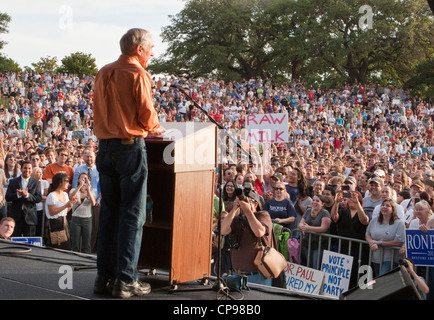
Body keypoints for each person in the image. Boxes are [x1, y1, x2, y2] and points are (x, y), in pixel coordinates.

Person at [93, 28, 165, 298]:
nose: (152, 53)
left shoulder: (103, 72)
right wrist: (156, 127)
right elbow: (148, 117)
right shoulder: (138, 74)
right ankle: (126, 281)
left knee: (110, 213)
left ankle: (104, 277)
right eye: (151, 48)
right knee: (133, 216)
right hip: (129, 149)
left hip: (104, 149)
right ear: (139, 49)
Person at [221, 187, 274, 286]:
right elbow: (223, 230)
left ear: (256, 204)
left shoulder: (263, 215)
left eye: (247, 201)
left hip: (258, 276)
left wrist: (248, 211)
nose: (243, 204)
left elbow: (259, 232)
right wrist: (234, 209)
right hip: (236, 275)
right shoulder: (237, 219)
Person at [331, 190, 370, 289]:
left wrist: (357, 204)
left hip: (359, 250)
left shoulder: (364, 212)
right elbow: (334, 217)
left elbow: (364, 221)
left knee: (358, 276)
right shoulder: (343, 212)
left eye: (354, 198)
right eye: (350, 198)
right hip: (344, 249)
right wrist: (336, 202)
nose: (351, 200)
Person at [365, 198, 405, 276]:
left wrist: (379, 243)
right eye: (383, 205)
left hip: (390, 258)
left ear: (393, 209)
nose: (384, 207)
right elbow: (367, 233)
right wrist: (371, 243)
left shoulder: (399, 223)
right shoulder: (374, 220)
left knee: (382, 277)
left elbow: (399, 242)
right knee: (378, 278)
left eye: (388, 206)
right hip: (376, 257)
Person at [5, 161, 42, 237]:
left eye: (29, 168)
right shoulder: (13, 182)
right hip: (15, 217)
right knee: (14, 241)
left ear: (32, 170)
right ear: (21, 169)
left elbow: (38, 198)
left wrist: (27, 195)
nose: (27, 170)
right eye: (25, 168)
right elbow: (8, 197)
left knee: (29, 243)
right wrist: (18, 195)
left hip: (30, 218)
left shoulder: (36, 183)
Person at [45, 172, 77, 249]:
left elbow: (65, 211)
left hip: (64, 222)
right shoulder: (52, 195)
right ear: (60, 183)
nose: (68, 183)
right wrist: (66, 205)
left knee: (67, 245)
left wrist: (71, 204)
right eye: (66, 181)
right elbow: (52, 212)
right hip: (54, 224)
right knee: (56, 246)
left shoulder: (65, 194)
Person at [299, 194, 331, 268]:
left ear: (322, 204)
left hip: (319, 245)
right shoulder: (308, 211)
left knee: (315, 266)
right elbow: (300, 223)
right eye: (313, 200)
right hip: (307, 243)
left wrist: (308, 228)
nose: (314, 202)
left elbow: (324, 228)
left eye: (317, 201)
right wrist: (302, 227)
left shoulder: (325, 213)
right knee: (309, 265)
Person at [69, 172, 95, 253]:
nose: (84, 180)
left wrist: (88, 190)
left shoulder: (91, 192)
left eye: (86, 178)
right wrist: (80, 186)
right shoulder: (74, 190)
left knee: (87, 243)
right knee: (75, 242)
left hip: (87, 220)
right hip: (76, 218)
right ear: (78, 179)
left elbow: (93, 203)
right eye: (82, 178)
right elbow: (71, 197)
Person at [31, 167, 49, 237]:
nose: (40, 174)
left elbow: (46, 196)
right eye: (38, 172)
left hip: (41, 208)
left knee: (41, 226)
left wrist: (36, 197)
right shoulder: (31, 182)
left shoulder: (45, 182)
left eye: (41, 172)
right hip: (32, 208)